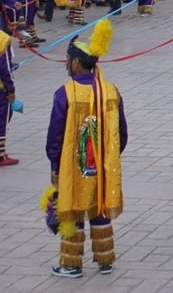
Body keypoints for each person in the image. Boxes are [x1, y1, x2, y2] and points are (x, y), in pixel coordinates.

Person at [46, 19, 127, 278]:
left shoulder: (66, 93)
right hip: (103, 164)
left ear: (77, 63)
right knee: (99, 204)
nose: (66, 65)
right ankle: (105, 260)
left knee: (75, 206)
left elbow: (55, 137)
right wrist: (110, 156)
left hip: (74, 164)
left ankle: (71, 264)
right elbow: (121, 134)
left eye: (68, 60)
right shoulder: (111, 90)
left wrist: (54, 165)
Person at [0, 22, 17, 166]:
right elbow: (5, 68)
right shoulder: (2, 39)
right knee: (2, 119)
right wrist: (10, 89)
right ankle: (0, 155)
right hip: (0, 89)